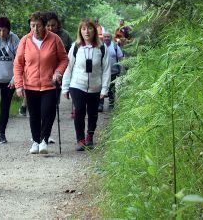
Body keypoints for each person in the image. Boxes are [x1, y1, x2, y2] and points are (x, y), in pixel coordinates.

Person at [13, 11, 68, 155]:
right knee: (35, 115)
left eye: (38, 26)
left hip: (49, 84)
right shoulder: (25, 40)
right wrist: (19, 85)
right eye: (32, 26)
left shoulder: (55, 39)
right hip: (30, 85)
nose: (35, 29)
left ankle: (44, 140)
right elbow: (18, 64)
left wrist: (58, 72)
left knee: (48, 112)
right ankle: (36, 141)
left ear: (44, 26)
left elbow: (64, 59)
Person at [62, 18, 111, 151]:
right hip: (77, 85)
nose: (86, 31)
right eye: (83, 29)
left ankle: (90, 136)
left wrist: (104, 89)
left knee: (93, 113)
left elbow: (106, 70)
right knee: (79, 111)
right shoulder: (75, 47)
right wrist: (65, 87)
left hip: (95, 86)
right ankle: (80, 140)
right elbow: (68, 67)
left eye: (89, 28)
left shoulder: (101, 48)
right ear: (80, 31)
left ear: (94, 31)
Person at [99, 30, 124, 112]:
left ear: (111, 38)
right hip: (101, 72)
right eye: (105, 36)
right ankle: (100, 105)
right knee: (101, 88)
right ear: (103, 37)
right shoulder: (100, 46)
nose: (106, 38)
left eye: (108, 36)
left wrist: (121, 69)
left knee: (111, 89)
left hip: (113, 72)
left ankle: (111, 104)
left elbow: (120, 58)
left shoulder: (115, 47)